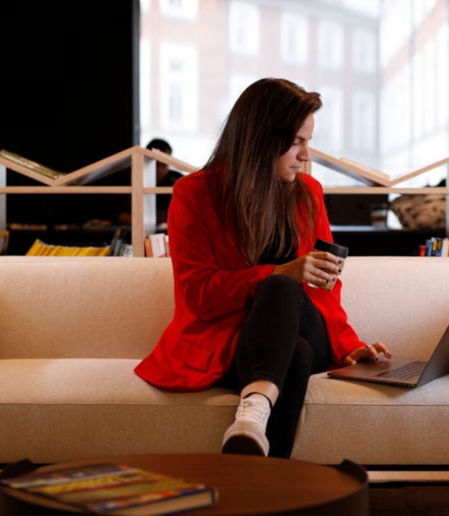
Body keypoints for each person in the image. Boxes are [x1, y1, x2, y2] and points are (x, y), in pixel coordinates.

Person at [134, 78, 390, 458]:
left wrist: (350, 346)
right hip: (232, 343)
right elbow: (198, 295)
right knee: (296, 351)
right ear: (260, 139)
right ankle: (266, 478)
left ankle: (251, 414)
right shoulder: (195, 194)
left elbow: (325, 287)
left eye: (308, 141)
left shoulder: (309, 194)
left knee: (283, 291)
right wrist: (278, 273)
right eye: (296, 142)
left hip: (302, 325)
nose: (305, 155)